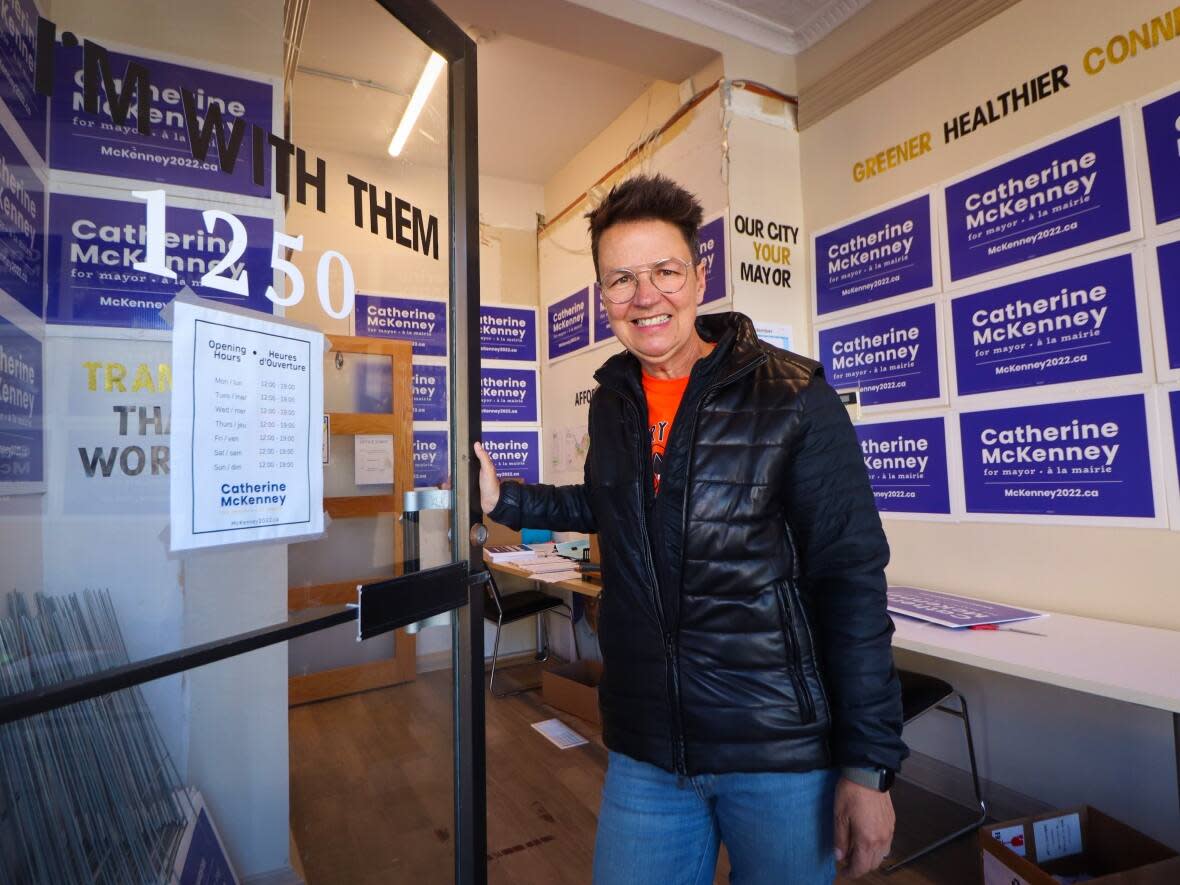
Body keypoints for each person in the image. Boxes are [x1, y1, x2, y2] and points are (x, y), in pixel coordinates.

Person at [474, 174, 906, 884]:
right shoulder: (613, 400)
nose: (645, 296)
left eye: (664, 271)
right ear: (603, 297)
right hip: (647, 750)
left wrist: (868, 764)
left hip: (776, 752)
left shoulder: (794, 397)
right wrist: (507, 498)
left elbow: (851, 581)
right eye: (621, 280)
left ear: (700, 276)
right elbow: (609, 505)